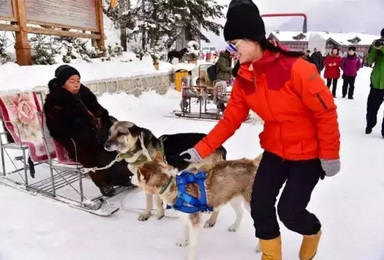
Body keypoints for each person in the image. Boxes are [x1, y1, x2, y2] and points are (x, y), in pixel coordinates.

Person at [178, 1, 341, 259]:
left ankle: (312, 231)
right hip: (275, 150)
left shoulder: (298, 69)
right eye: (229, 45)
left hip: (308, 154)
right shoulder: (244, 76)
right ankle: (271, 256)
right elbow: (230, 119)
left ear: (254, 38)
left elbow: (326, 112)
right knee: (261, 205)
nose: (231, 51)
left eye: (235, 43)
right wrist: (201, 150)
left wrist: (330, 154)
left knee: (290, 212)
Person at [43, 65, 133, 196]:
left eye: (78, 81)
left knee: (117, 143)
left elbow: (101, 112)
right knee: (91, 152)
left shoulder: (85, 94)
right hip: (76, 138)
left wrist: (106, 125)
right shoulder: (55, 101)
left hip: (98, 131)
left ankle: (124, 177)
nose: (76, 85)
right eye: (71, 81)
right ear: (62, 83)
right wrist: (80, 133)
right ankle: (104, 183)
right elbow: (55, 129)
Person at [365, 28, 384, 136]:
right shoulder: (376, 44)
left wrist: (382, 48)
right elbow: (369, 61)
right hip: (376, 82)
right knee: (372, 107)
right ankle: (370, 124)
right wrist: (374, 48)